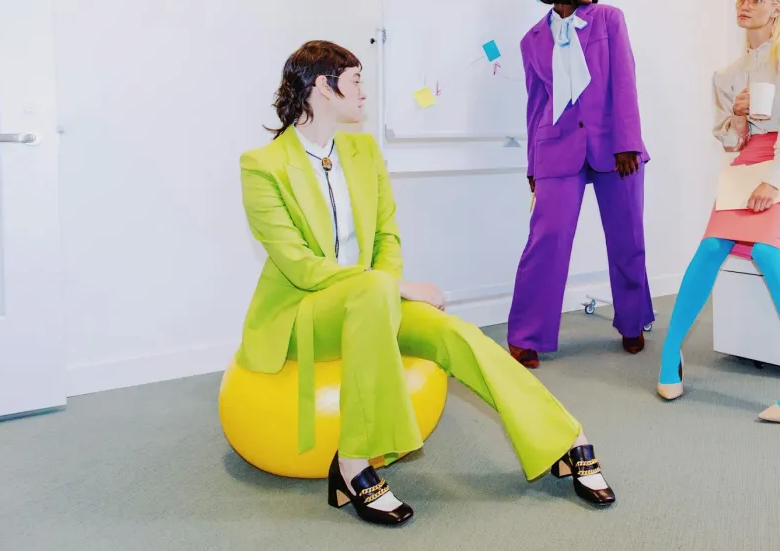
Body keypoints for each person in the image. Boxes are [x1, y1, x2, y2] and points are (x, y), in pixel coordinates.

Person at [236, 41, 615, 527]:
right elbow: (300, 267)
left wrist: (385, 287)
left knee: (457, 334)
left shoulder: (362, 150)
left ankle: (566, 439)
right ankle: (354, 463)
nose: (363, 93)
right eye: (354, 82)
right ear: (322, 90)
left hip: (372, 305)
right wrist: (392, 288)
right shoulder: (262, 166)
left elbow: (387, 235)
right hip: (305, 317)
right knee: (375, 290)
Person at [656, 0, 780, 423]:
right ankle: (670, 353)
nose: (746, 4)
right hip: (749, 160)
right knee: (710, 247)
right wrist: (737, 120)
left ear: (777, 7)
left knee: (769, 254)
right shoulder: (727, 75)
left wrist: (775, 178)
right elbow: (731, 143)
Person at [507, 0, 654, 368]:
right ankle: (527, 333)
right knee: (546, 239)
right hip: (557, 149)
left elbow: (624, 80)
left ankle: (632, 320)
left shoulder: (609, 20)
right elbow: (537, 106)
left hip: (615, 147)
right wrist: (534, 166)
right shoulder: (531, 40)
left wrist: (627, 141)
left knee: (627, 237)